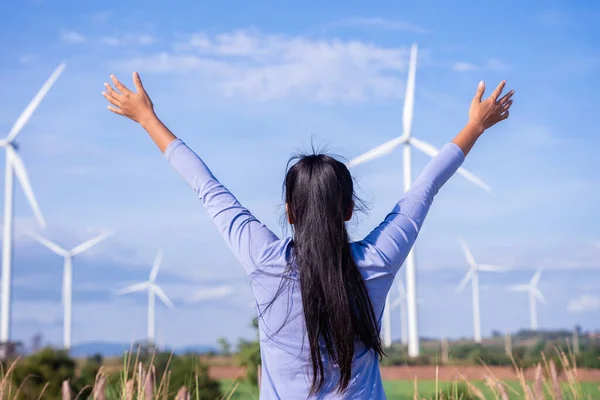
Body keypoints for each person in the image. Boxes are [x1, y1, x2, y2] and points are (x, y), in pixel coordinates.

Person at [102, 73, 514, 399]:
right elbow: (425, 187)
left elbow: (206, 186)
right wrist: (474, 127)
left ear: (290, 211)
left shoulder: (263, 259)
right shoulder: (377, 260)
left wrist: (147, 118)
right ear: (350, 210)